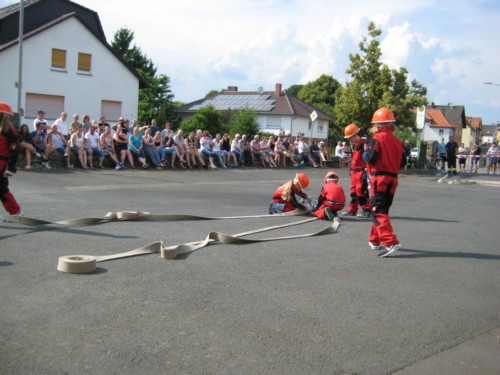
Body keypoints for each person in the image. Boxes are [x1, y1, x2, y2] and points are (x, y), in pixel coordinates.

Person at [364, 108, 407, 257]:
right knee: (382, 211)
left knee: (378, 211)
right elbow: (403, 161)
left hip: (379, 179)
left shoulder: (377, 138)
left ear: (377, 124)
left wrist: (365, 154)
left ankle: (390, 242)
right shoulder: (397, 141)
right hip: (392, 179)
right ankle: (374, 240)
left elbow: (370, 158)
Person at [343, 123, 371, 218]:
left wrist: (366, 173)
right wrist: (351, 169)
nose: (349, 140)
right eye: (348, 138)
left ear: (355, 135)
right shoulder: (354, 146)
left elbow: (367, 160)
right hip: (354, 172)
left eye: (350, 138)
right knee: (353, 191)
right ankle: (352, 209)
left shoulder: (364, 145)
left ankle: (367, 210)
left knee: (361, 191)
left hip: (361, 172)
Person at [0, 102, 22, 215]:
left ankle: (16, 212)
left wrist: (11, 168)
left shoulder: (9, 130)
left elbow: (14, 150)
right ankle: (15, 212)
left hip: (2, 164)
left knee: (2, 190)